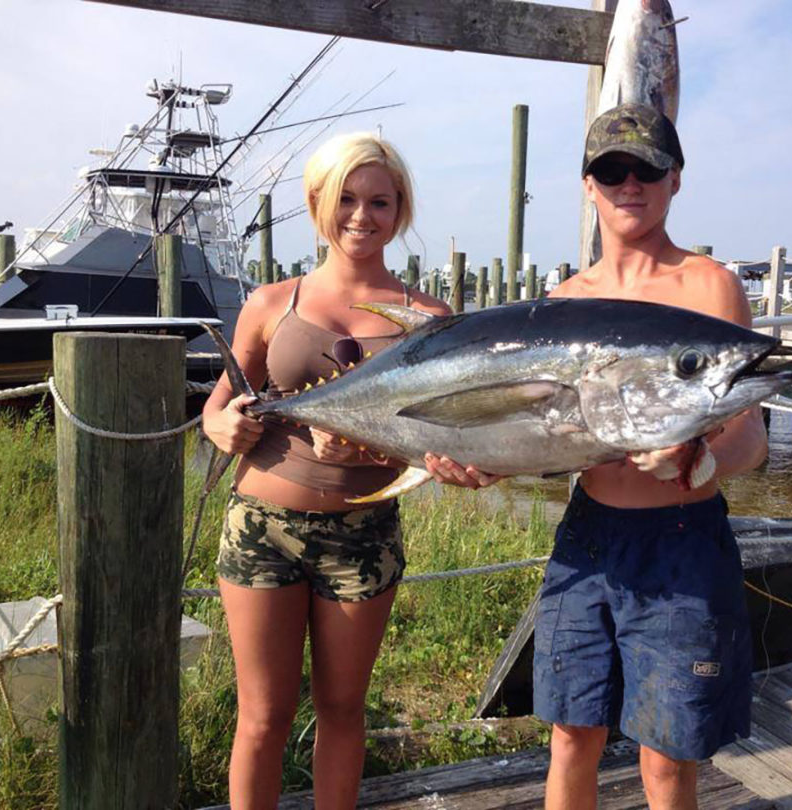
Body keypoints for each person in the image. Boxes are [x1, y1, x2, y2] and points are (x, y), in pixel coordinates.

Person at [425, 103, 762, 810]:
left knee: (668, 755)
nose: (629, 184)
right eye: (612, 170)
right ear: (587, 185)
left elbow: (750, 437)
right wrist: (483, 464)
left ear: (676, 180)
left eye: (647, 168)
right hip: (586, 537)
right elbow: (541, 437)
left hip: (682, 544)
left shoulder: (709, 288)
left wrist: (698, 462)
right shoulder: (562, 302)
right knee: (571, 735)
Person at [203, 132, 450, 810]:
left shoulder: (428, 321)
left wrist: (372, 453)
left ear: (400, 209)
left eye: (379, 201)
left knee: (343, 709)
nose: (361, 217)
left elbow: (428, 437)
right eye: (345, 198)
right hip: (262, 529)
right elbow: (221, 405)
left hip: (362, 537)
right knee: (262, 717)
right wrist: (221, 425)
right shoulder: (270, 303)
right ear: (317, 201)